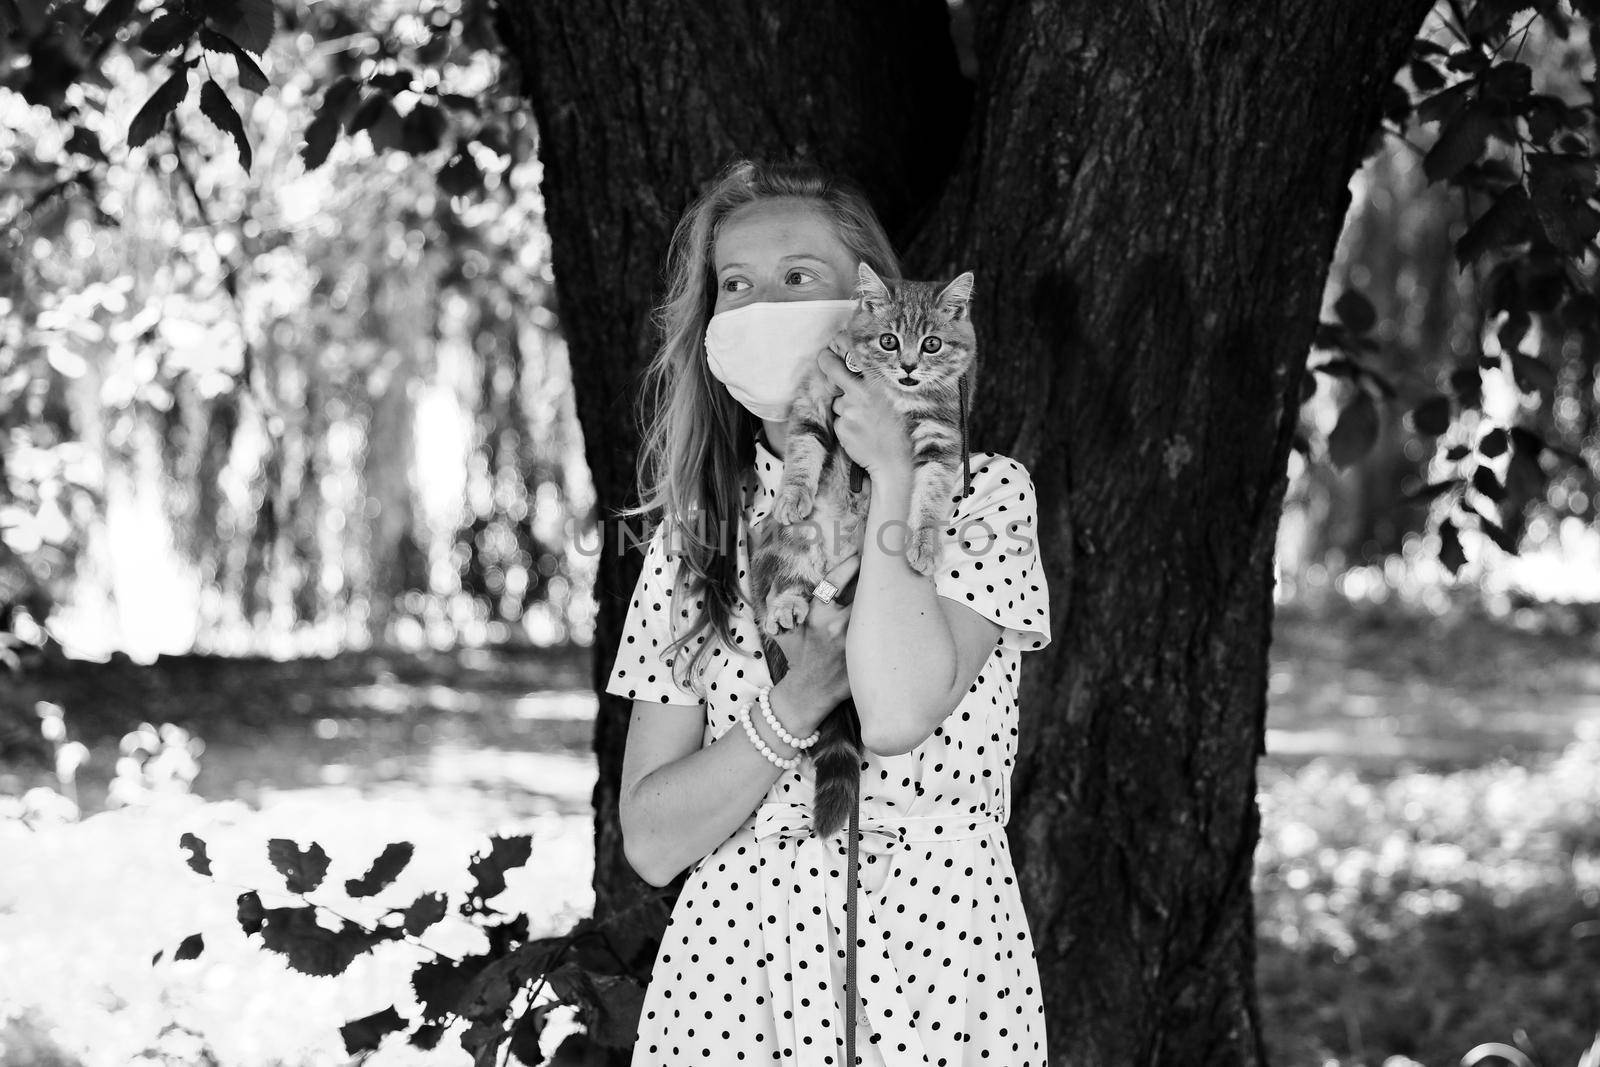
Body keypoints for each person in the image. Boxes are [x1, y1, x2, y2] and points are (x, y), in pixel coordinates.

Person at [604, 157, 1052, 1066]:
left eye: (796, 277)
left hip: (938, 960)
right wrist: (796, 702)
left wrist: (894, 469)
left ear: (869, 301)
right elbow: (651, 841)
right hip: (736, 976)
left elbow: (894, 710)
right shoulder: (694, 535)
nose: (763, 304)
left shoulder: (987, 499)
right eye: (737, 285)